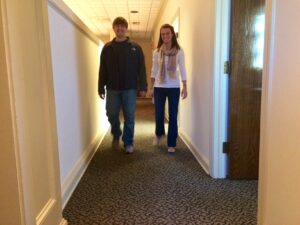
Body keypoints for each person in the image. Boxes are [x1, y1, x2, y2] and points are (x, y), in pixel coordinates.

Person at [98, 17, 147, 154]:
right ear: (114, 28)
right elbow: (103, 69)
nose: (120, 28)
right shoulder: (107, 48)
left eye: (122, 26)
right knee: (111, 113)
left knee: (129, 116)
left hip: (130, 88)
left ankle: (128, 142)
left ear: (126, 28)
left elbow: (141, 68)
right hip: (112, 88)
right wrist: (100, 87)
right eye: (117, 26)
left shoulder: (135, 47)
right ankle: (116, 131)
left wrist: (143, 87)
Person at [150, 24, 187, 153]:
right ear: (161, 36)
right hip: (159, 87)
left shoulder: (179, 51)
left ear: (172, 34)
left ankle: (171, 143)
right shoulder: (156, 52)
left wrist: (185, 86)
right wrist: (151, 87)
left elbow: (182, 68)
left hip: (173, 87)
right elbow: (154, 70)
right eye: (163, 34)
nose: (165, 36)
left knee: (173, 115)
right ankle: (159, 133)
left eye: (167, 33)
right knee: (159, 114)